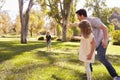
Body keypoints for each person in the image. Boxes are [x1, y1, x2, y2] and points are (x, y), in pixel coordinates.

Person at [75, 9, 120, 80]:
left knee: (101, 57)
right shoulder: (83, 23)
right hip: (94, 42)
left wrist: (105, 40)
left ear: (82, 15)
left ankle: (116, 76)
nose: (77, 18)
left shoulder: (93, 20)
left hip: (102, 41)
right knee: (87, 55)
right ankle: (89, 72)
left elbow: (105, 28)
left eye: (78, 16)